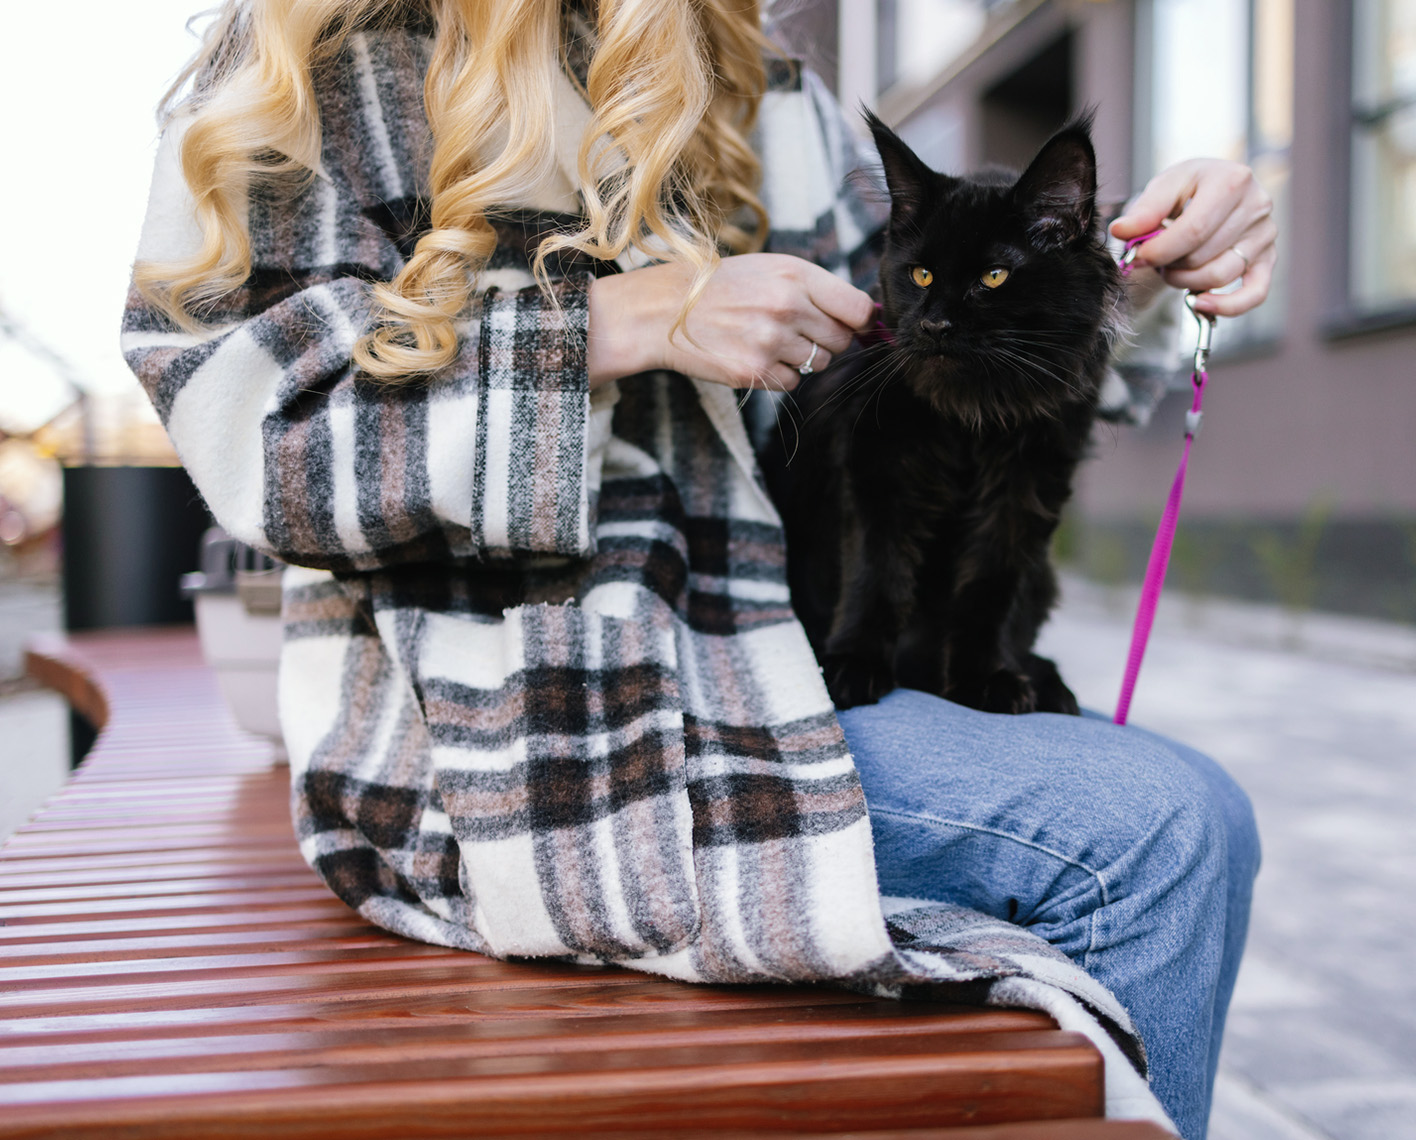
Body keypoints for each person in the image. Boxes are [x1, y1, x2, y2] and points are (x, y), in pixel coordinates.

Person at [124, 3, 1275, 1137]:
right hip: (521, 733)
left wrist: (1137, 267)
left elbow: (928, 367)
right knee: (1157, 832)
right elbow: (262, 453)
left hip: (781, 668)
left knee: (1160, 815)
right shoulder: (321, 59)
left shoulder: (758, 71)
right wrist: (611, 325)